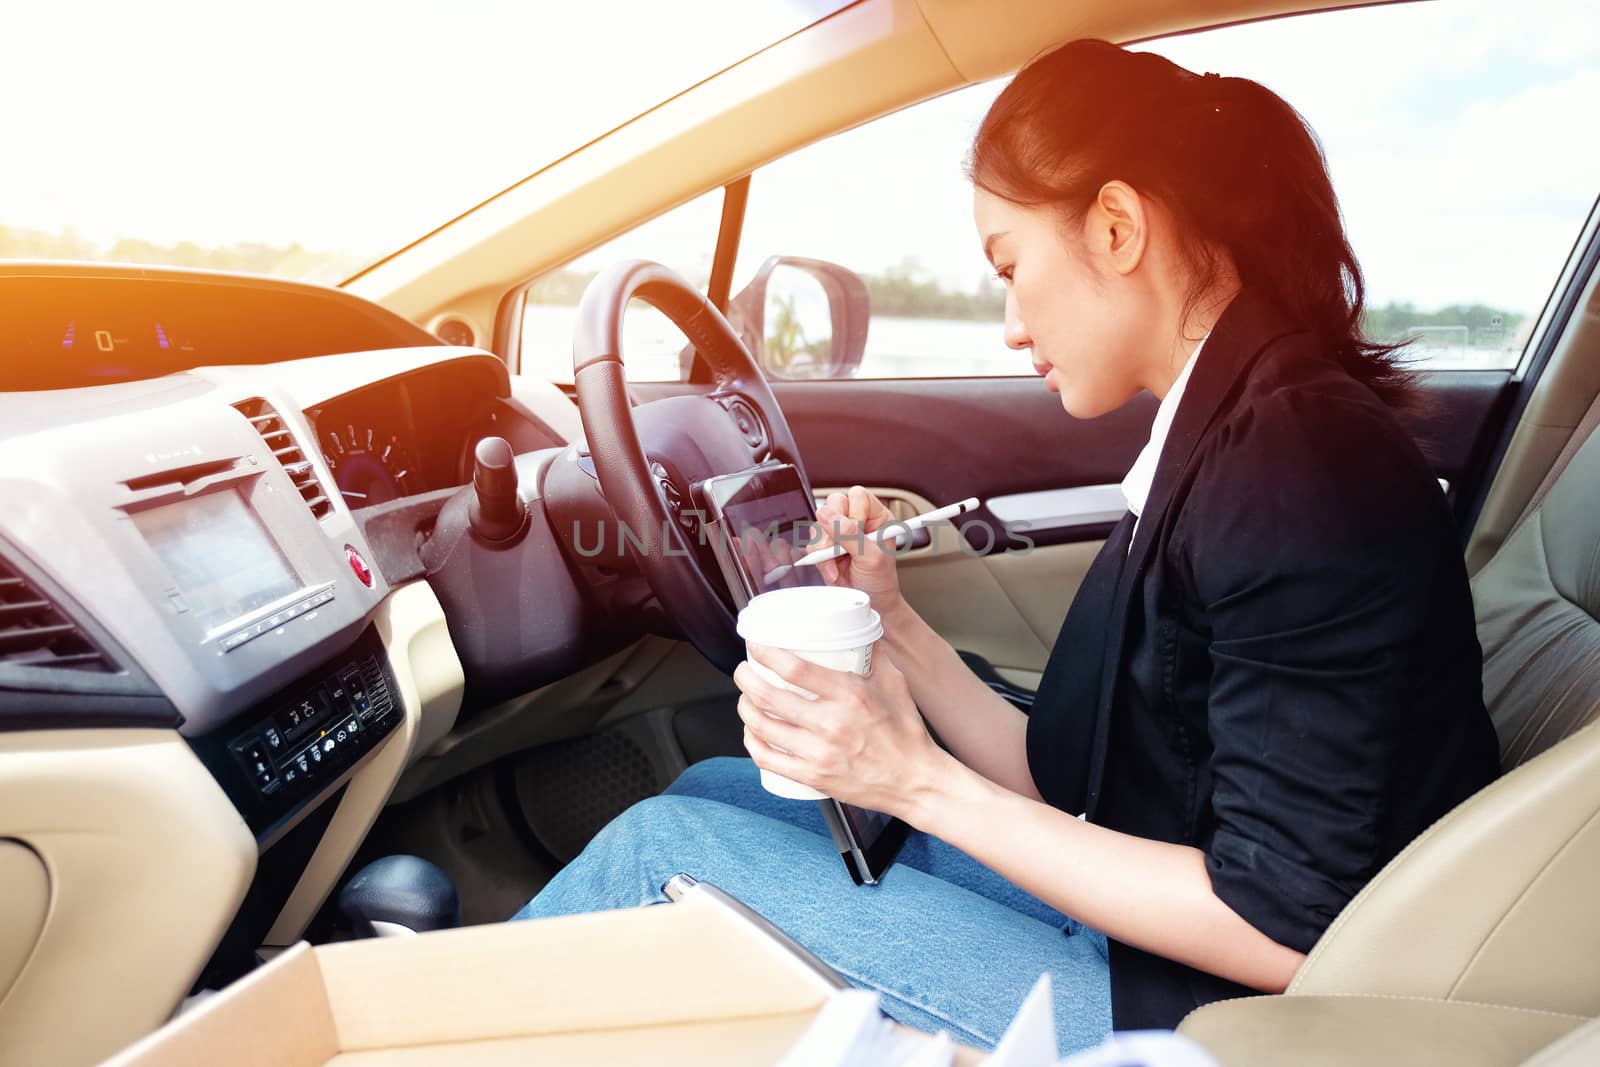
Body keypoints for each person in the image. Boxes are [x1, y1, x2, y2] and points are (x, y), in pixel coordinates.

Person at [513, 38, 1501, 1052]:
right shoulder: (1228, 431)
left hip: (1211, 1010)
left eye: (1009, 265)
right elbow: (1073, 777)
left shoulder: (1293, 465)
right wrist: (894, 625)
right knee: (711, 794)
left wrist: (913, 780)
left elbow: (1281, 922)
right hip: (1157, 936)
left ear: (1116, 227)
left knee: (656, 849)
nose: (1009, 326)